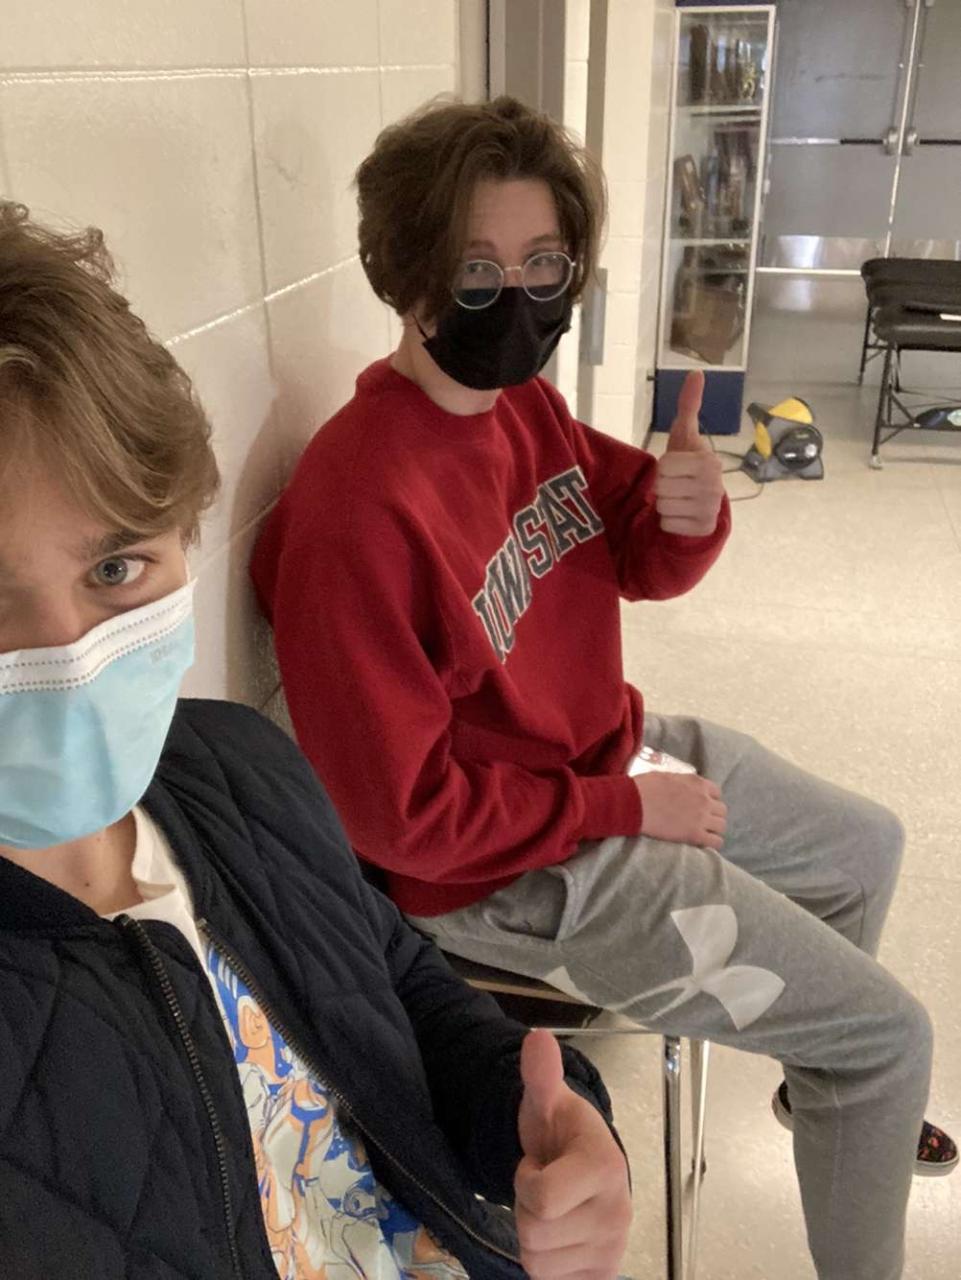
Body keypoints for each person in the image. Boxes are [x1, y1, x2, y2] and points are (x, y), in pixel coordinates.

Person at [250, 96, 957, 1280]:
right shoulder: (355, 509)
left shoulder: (520, 405)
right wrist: (626, 808)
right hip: (508, 871)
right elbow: (401, 821)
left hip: (598, 759)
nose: (517, 299)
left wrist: (689, 508)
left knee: (866, 846)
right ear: (404, 275)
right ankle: (850, 1080)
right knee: (889, 1037)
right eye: (476, 271)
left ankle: (822, 1091)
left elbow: (632, 543)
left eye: (543, 264)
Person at [0, 201, 632, 1280]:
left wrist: (542, 1117)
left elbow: (392, 981)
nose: (71, 656)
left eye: (115, 569)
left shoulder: (236, 764)